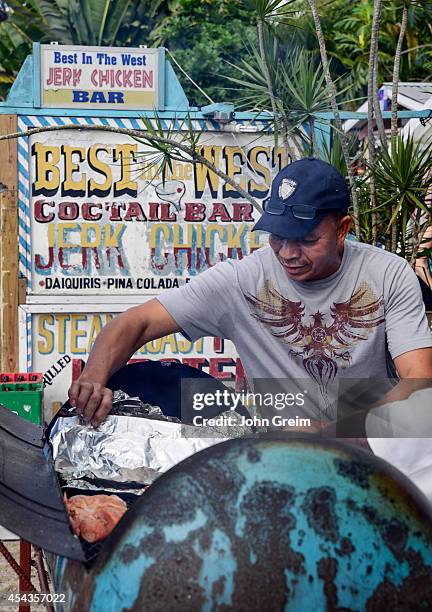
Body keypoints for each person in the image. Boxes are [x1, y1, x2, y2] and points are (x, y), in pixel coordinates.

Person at [69, 158, 432, 435]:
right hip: (278, 456)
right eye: (278, 237)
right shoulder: (243, 280)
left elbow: (419, 382)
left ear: (342, 230)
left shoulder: (388, 274)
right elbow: (137, 321)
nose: (288, 254)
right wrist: (94, 377)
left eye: (306, 240)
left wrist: (333, 434)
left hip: (372, 451)